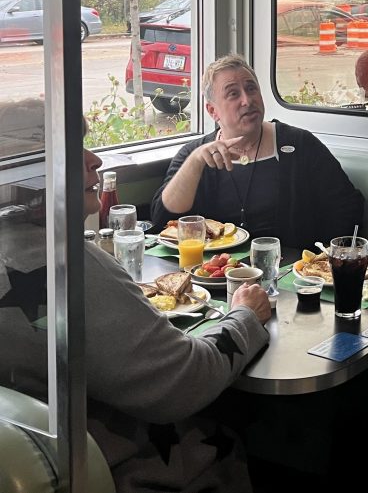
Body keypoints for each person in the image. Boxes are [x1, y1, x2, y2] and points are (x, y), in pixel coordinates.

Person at [0, 98, 272, 492]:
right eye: (71, 149)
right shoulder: (68, 266)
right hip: (104, 463)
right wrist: (245, 316)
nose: (94, 160)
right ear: (32, 173)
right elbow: (183, 382)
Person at [151, 54, 364, 250]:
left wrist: (314, 261)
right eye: (233, 94)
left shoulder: (299, 144)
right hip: (216, 275)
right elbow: (162, 220)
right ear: (212, 111)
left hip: (287, 275)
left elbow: (347, 208)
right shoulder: (195, 154)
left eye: (251, 89)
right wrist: (195, 162)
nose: (247, 100)